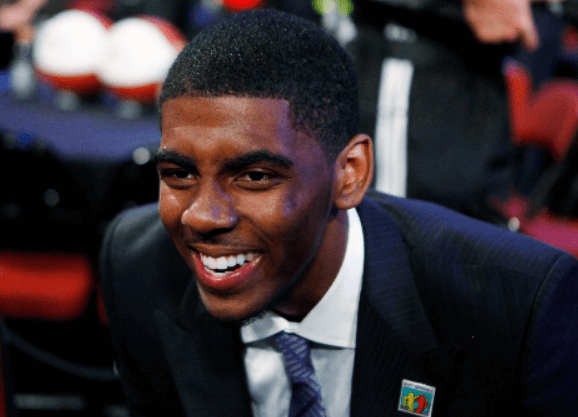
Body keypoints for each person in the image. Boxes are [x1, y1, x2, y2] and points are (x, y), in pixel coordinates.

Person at [99, 9, 578, 417]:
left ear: (350, 174)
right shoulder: (137, 265)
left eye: (255, 177)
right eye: (179, 174)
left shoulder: (516, 308)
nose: (202, 217)